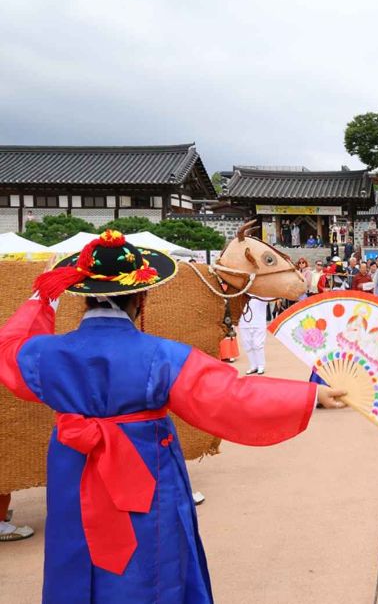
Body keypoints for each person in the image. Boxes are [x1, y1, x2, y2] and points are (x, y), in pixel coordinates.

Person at [0, 231, 345, 601]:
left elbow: (9, 347)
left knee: (76, 545)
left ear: (82, 298)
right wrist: (310, 396)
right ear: (141, 297)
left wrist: (42, 300)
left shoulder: (45, 355)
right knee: (151, 555)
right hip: (145, 465)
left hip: (74, 465)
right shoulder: (163, 355)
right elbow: (231, 397)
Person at [240, 294, 271, 375]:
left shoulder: (262, 292)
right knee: (247, 346)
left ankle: (261, 366)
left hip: (258, 323)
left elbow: (272, 296)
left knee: (258, 345)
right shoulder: (241, 292)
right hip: (244, 323)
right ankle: (253, 366)